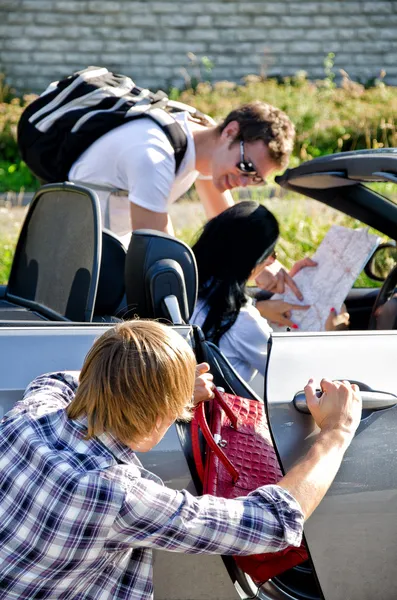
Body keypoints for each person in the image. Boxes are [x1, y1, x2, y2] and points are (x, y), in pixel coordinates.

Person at [0, 319, 361, 600]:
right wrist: (335, 433)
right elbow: (271, 523)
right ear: (162, 415)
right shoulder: (117, 494)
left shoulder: (29, 415)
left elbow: (58, 382)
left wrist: (158, 386)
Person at [68, 101, 295, 239]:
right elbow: (156, 258)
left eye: (256, 178)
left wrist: (268, 267)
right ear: (230, 132)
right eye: (246, 167)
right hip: (73, 257)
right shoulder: (155, 157)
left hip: (107, 246)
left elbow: (228, 232)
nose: (244, 183)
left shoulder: (204, 139)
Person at [191, 201, 348, 383]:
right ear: (252, 260)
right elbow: (301, 378)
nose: (272, 261)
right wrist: (334, 335)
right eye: (271, 254)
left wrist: (260, 305)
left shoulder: (187, 289)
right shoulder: (241, 322)